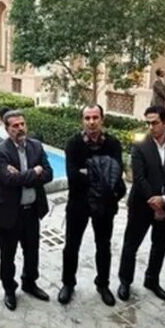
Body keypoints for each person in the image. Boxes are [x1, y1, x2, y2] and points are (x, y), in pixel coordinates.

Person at [117, 105, 165, 302]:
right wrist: (154, 202)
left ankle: (152, 280)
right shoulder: (140, 146)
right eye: (147, 123)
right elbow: (139, 178)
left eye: (155, 123)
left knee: (160, 245)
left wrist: (164, 200)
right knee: (131, 244)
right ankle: (125, 281)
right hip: (141, 205)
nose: (150, 127)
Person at [0, 110, 54, 311]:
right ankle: (9, 289)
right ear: (7, 129)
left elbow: (49, 174)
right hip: (9, 213)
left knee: (32, 251)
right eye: (14, 126)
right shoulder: (0, 151)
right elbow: (8, 180)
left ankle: (29, 283)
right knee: (8, 255)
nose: (20, 128)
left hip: (32, 211)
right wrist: (34, 172)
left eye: (22, 124)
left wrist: (23, 175)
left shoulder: (36, 146)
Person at [59, 104, 125, 306]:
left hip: (104, 205)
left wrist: (88, 170)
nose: (91, 121)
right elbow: (73, 177)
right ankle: (68, 283)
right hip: (78, 203)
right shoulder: (74, 144)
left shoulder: (113, 143)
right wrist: (100, 171)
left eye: (95, 117)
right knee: (71, 245)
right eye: (87, 118)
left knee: (103, 246)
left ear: (102, 119)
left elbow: (115, 174)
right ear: (83, 120)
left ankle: (103, 284)